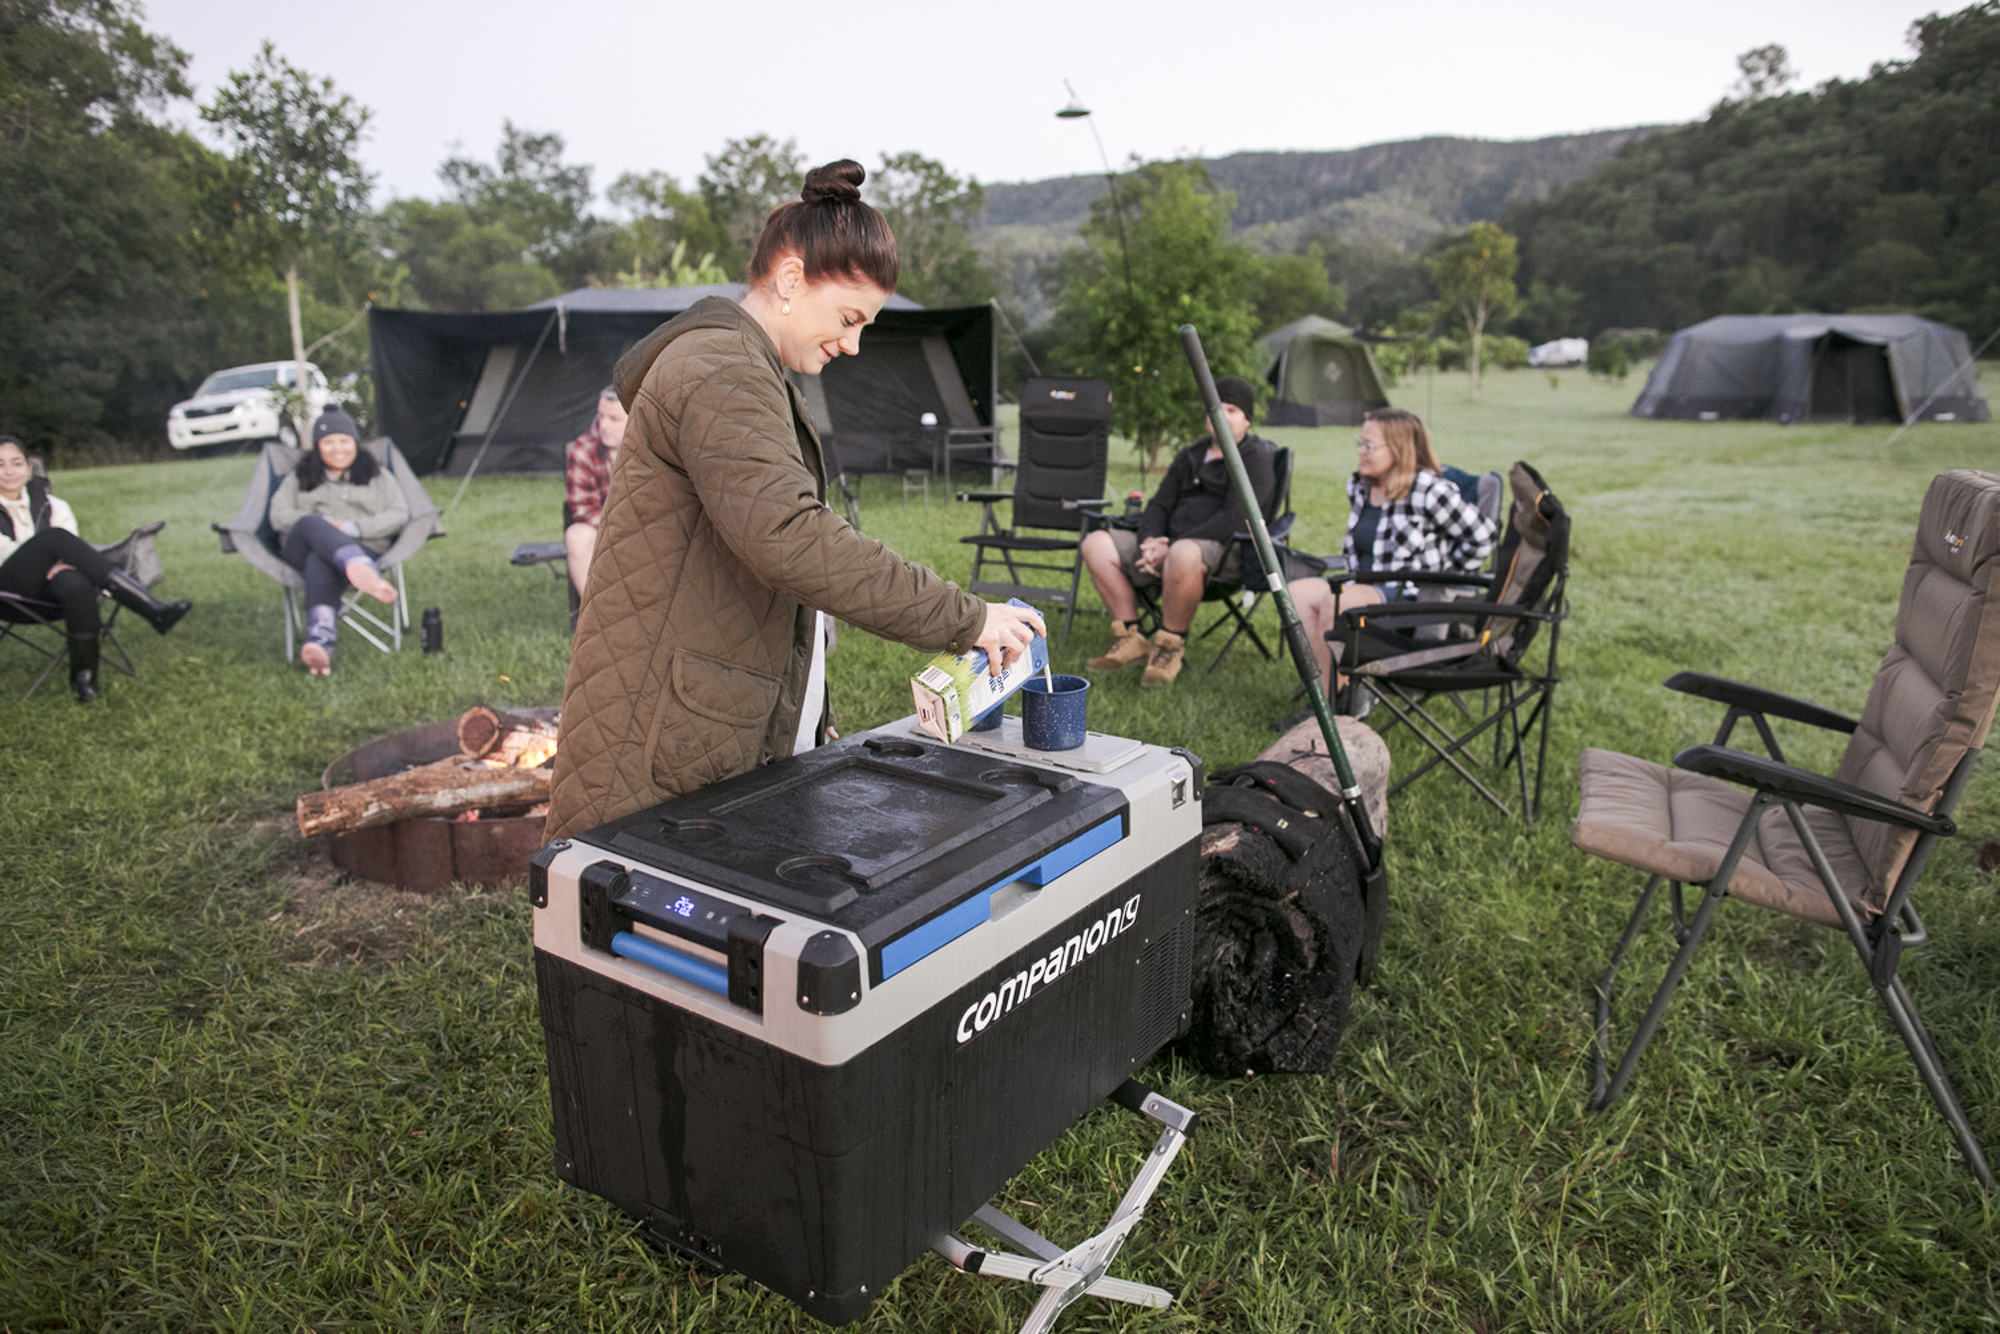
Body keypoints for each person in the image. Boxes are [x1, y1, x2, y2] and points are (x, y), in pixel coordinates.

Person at [546, 160, 1044, 842]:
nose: (854, 343)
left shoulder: (746, 367)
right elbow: (790, 539)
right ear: (788, 280)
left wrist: (806, 709)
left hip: (701, 713)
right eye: (848, 317)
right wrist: (966, 618)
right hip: (662, 737)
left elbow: (753, 565)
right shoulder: (722, 369)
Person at [1079, 374, 1278, 689]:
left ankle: (1169, 647)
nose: (1222, 416)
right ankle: (1130, 636)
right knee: (1096, 543)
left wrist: (1170, 545)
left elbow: (1234, 518)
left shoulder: (1255, 460)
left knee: (1183, 554)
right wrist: (1148, 542)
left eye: (1232, 410)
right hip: (1166, 544)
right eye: (1216, 408)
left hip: (1222, 550)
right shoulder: (1191, 455)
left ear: (1247, 420)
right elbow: (1159, 504)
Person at [1286, 407, 1497, 692]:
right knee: (1295, 595)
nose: (1360, 451)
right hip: (1360, 582)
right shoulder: (1360, 487)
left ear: (1398, 449)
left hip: (1409, 594)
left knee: (1337, 602)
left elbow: (1483, 536)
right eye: (1359, 443)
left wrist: (1453, 576)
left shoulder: (1427, 490)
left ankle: (1337, 703)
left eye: (1368, 445)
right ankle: (1332, 689)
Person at [0, 434, 190, 702]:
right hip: (8, 592)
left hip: (52, 595)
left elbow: (72, 552)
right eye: (0, 464)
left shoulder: (55, 505)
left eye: (16, 463)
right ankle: (151, 607)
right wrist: (48, 557)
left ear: (29, 469)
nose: (9, 471)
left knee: (74, 582)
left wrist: (59, 564)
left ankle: (84, 680)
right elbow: (5, 552)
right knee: (53, 538)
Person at [268, 410, 408, 676]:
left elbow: (399, 513)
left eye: (344, 441)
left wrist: (353, 527)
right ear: (317, 446)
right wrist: (326, 525)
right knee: (312, 523)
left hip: (362, 544)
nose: (337, 449)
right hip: (302, 545)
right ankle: (357, 565)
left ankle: (321, 641)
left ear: (355, 443)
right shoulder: (300, 476)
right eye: (328, 442)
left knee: (320, 559)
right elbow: (279, 515)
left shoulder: (378, 476)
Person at [562, 386, 627, 599]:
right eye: (600, 416)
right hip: (604, 531)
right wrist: (621, 530)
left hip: (649, 531)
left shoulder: (652, 449)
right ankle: (592, 616)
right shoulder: (584, 450)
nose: (604, 425)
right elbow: (584, 510)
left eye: (614, 419)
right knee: (577, 536)